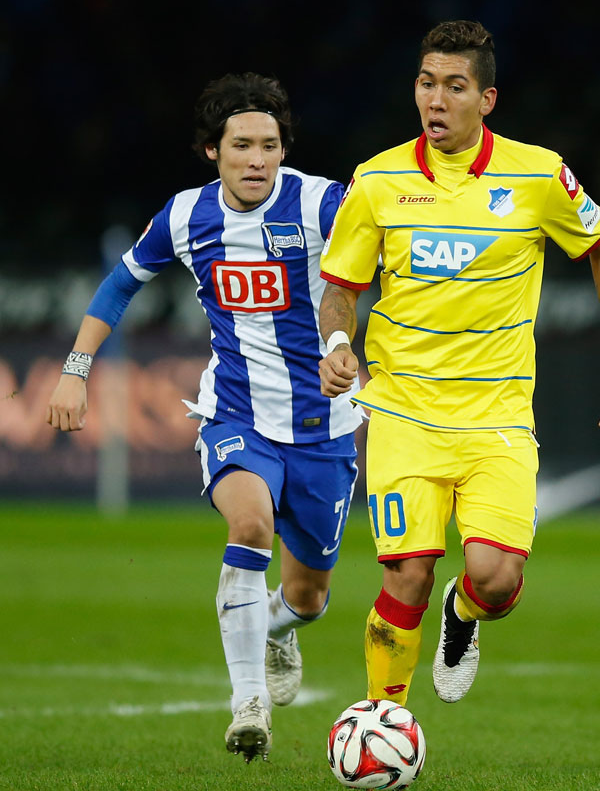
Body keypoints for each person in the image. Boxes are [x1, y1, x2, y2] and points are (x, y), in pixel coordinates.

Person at [318, 20, 600, 708]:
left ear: (486, 99)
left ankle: (462, 612)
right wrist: (337, 344)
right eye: (425, 83)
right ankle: (383, 721)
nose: (435, 100)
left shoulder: (537, 175)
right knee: (405, 574)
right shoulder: (375, 181)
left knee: (494, 580)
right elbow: (341, 288)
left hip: (496, 416)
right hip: (403, 413)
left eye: (454, 86)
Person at [45, 72, 362, 762]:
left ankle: (277, 628)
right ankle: (248, 703)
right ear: (212, 151)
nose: (257, 160)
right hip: (235, 413)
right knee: (249, 525)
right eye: (241, 145)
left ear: (284, 150)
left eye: (270, 145)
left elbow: (383, 269)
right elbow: (119, 284)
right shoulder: (186, 216)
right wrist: (75, 369)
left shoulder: (323, 203)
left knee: (308, 598)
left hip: (325, 428)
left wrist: (353, 347)